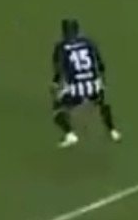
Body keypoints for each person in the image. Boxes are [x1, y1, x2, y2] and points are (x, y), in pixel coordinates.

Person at [52, 18, 122, 147]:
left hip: (75, 89)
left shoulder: (61, 46)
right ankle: (113, 130)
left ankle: (70, 134)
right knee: (102, 103)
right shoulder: (89, 42)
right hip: (93, 85)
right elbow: (100, 64)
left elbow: (59, 69)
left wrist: (55, 83)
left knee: (57, 109)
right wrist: (102, 81)